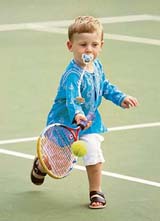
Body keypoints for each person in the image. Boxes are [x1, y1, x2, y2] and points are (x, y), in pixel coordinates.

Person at [30, 16, 138, 209]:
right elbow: (73, 99)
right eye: (83, 45)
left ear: (101, 46)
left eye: (94, 44)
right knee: (55, 157)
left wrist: (120, 97)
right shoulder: (72, 75)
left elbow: (104, 85)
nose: (89, 49)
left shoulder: (96, 66)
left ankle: (96, 191)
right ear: (70, 46)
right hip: (65, 122)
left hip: (89, 122)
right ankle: (41, 165)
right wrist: (77, 115)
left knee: (94, 153)